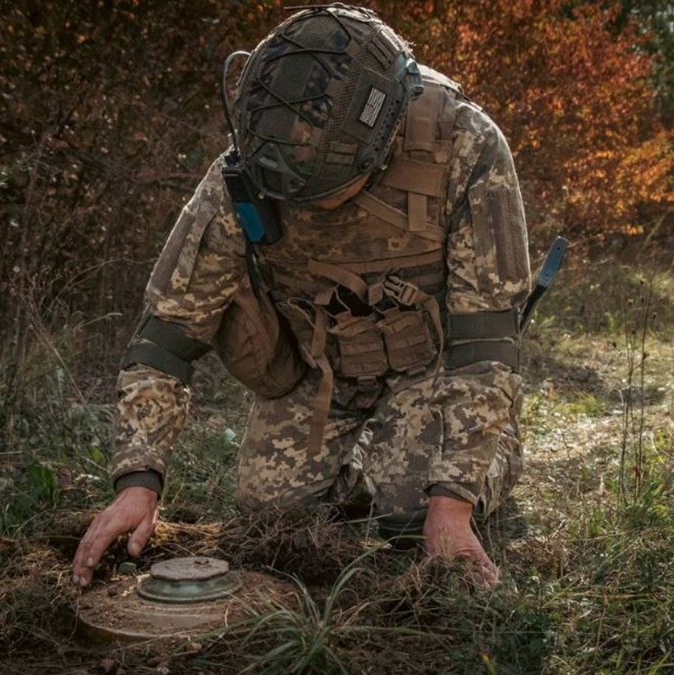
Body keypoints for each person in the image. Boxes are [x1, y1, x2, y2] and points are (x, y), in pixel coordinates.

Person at [72, 3, 530, 588]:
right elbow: (168, 332)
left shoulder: (462, 144)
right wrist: (138, 479)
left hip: (434, 369)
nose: (306, 210)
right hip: (323, 373)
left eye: (324, 193)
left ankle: (492, 454)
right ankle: (375, 461)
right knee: (271, 514)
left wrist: (454, 502)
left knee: (411, 515)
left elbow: (484, 341)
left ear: (381, 142)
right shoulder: (249, 172)